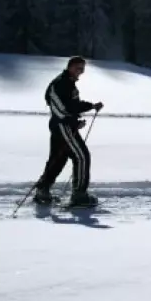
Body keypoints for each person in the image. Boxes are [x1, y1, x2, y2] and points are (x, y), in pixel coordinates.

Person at [33, 56, 103, 207]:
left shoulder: (68, 83)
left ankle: (43, 190)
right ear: (70, 67)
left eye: (82, 69)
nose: (80, 72)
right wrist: (72, 121)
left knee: (58, 158)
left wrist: (90, 106)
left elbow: (73, 105)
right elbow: (62, 109)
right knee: (82, 156)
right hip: (62, 127)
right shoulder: (60, 83)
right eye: (78, 68)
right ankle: (79, 195)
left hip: (63, 126)